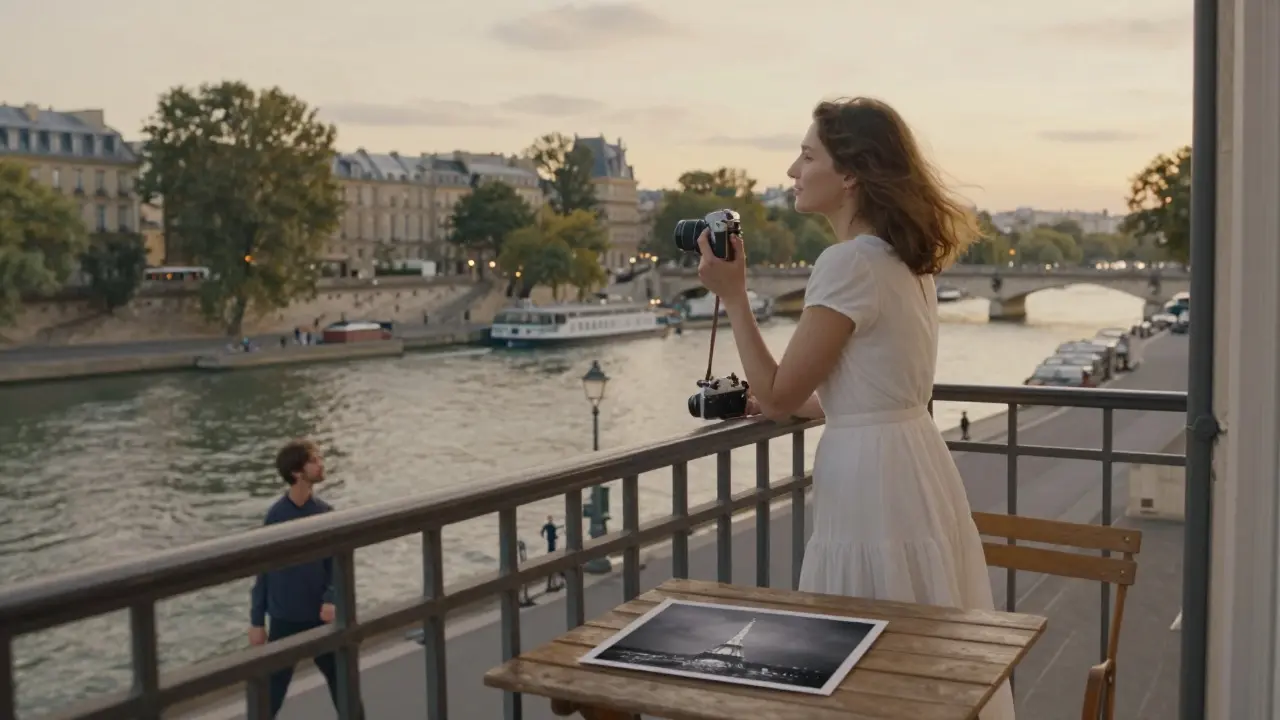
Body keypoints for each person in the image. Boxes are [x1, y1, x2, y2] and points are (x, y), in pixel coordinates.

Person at [694, 97, 1014, 719]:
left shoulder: (847, 263)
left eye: (807, 155)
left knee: (858, 653)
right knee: (919, 648)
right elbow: (885, 387)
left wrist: (735, 297)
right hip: (915, 462)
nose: (792, 169)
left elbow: (780, 392)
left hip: (869, 479)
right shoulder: (905, 259)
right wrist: (826, 406)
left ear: (849, 175)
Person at [249, 439, 364, 718]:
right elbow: (263, 571)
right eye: (315, 460)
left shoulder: (325, 513)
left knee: (345, 688)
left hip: (320, 618)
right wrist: (256, 621)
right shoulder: (276, 516)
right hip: (284, 619)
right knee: (269, 695)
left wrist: (330, 598)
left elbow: (337, 565)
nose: (321, 464)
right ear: (297, 472)